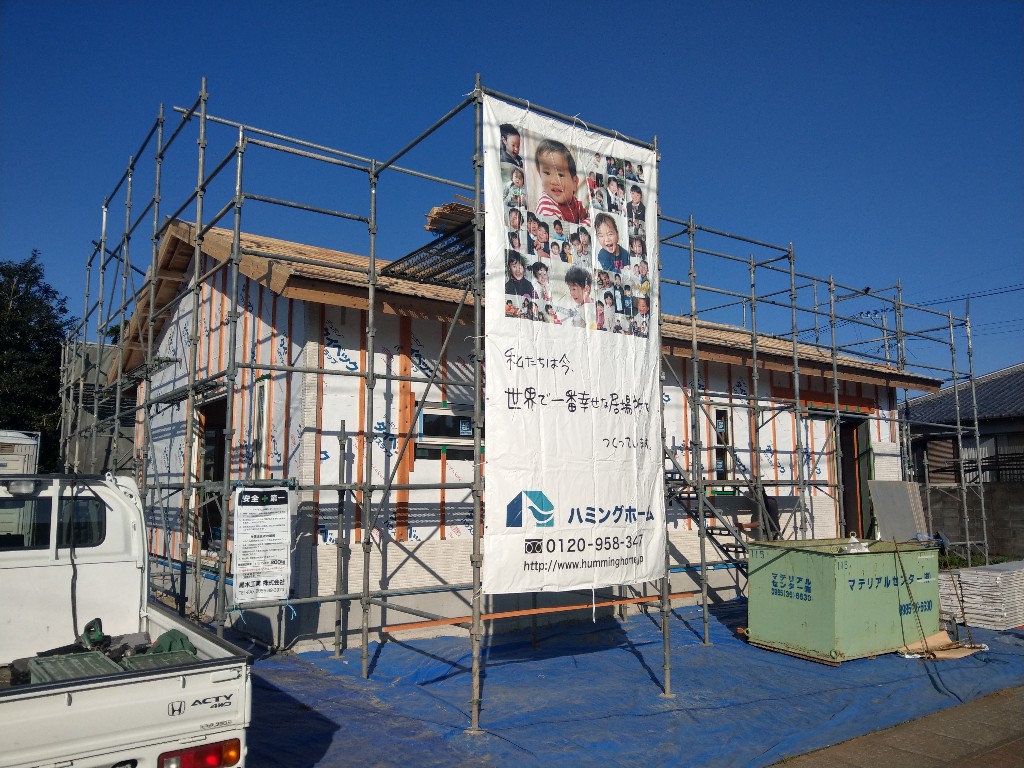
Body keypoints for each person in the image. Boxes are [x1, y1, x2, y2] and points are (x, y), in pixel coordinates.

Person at [533, 139, 590, 224]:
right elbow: (556, 232)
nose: (554, 181)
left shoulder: (575, 203)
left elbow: (591, 218)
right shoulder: (546, 205)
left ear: (574, 183)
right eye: (547, 173)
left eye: (560, 175)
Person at [564, 264, 595, 329]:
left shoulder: (591, 310)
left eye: (574, 289)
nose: (571, 293)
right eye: (570, 289)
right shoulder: (580, 305)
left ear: (586, 289)